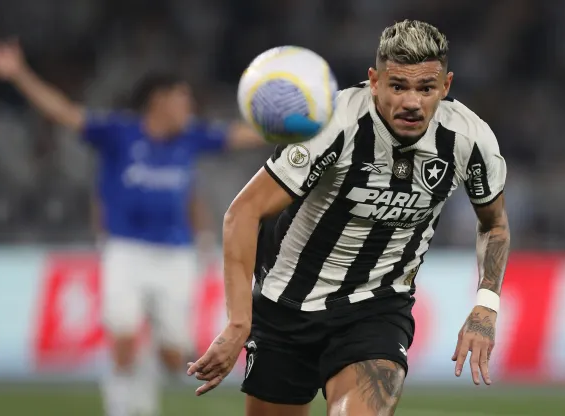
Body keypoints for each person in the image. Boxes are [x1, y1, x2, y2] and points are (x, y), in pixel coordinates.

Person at [187, 19, 511, 416]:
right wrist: (238, 323)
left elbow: (494, 223)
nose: (412, 102)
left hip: (376, 307)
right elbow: (243, 212)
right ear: (374, 81)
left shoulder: (469, 139)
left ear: (445, 87)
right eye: (398, 86)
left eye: (426, 88)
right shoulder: (333, 124)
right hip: (286, 304)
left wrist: (485, 305)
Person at [0, 39, 263, 416]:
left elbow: (243, 136)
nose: (189, 108)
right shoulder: (118, 133)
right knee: (123, 341)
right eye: (182, 99)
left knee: (172, 356)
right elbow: (64, 113)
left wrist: (302, 127)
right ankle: (124, 407)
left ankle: (144, 371)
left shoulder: (192, 138)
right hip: (125, 250)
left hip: (175, 254)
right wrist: (19, 74)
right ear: (158, 101)